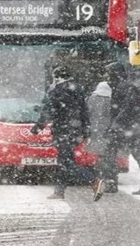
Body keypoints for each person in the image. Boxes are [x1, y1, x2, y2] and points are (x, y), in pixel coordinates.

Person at [31, 66, 103, 201]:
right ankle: (59, 192)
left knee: (66, 164)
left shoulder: (56, 91)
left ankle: (94, 180)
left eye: (54, 77)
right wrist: (86, 132)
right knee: (63, 162)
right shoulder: (78, 89)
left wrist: (37, 128)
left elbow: (48, 112)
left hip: (62, 131)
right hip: (75, 131)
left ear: (57, 77)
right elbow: (84, 112)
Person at [98, 62, 140, 195]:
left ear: (116, 73)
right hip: (128, 127)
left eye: (109, 72)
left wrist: (115, 124)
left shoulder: (127, 88)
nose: (107, 76)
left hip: (127, 128)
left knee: (114, 153)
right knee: (118, 153)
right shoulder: (121, 87)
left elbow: (127, 109)